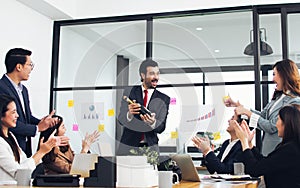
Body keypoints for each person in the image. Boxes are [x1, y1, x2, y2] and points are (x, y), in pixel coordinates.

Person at [224, 59, 300, 156]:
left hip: (279, 152)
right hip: (268, 151)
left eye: (274, 74)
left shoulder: (294, 101)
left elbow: (272, 126)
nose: (272, 79)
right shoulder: (277, 99)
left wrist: (248, 113)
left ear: (284, 75)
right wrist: (240, 107)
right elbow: (263, 116)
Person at [0, 48, 58, 157]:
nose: (31, 69)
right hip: (8, 146)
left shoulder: (24, 90)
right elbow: (6, 120)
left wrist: (43, 121)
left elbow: (26, 117)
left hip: (24, 147)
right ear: (19, 66)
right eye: (30, 64)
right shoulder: (1, 88)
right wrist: (37, 128)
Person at [232, 104, 300, 188]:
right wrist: (249, 145)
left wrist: (244, 142)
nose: (276, 124)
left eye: (278, 119)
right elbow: (264, 163)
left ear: (285, 123)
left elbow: (254, 170)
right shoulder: (289, 147)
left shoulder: (289, 150)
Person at [117, 59, 170, 155]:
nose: (156, 77)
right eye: (152, 74)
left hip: (150, 149)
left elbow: (161, 128)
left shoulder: (164, 99)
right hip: (128, 146)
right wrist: (129, 114)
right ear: (143, 75)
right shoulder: (130, 92)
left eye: (157, 74)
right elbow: (120, 119)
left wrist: (153, 122)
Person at [0, 94, 57, 182]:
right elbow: (19, 173)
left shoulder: (11, 136)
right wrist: (41, 152)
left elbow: (24, 162)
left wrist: (43, 151)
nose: (17, 115)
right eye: (13, 112)